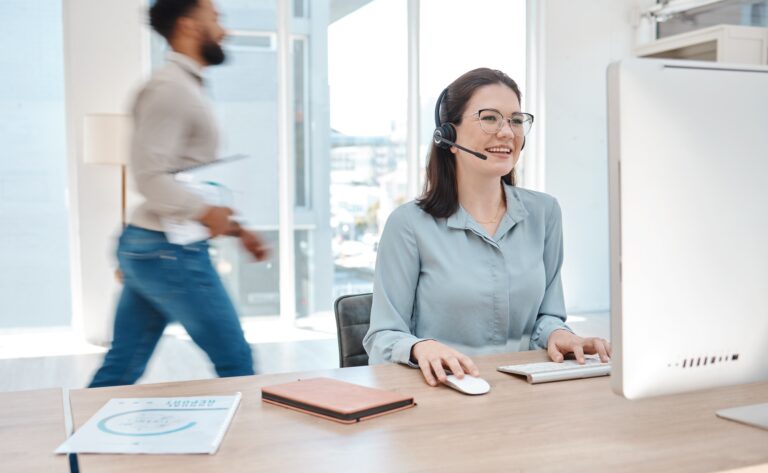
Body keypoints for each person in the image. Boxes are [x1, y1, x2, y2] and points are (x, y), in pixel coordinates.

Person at [362, 68, 611, 387]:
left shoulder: (544, 213)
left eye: (516, 120)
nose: (507, 132)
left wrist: (559, 334)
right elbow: (383, 336)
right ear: (449, 136)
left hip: (527, 394)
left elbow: (547, 316)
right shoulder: (409, 224)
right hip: (444, 394)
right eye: (490, 118)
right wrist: (419, 347)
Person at [89, 0, 268, 388]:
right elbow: (150, 177)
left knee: (121, 367)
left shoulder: (185, 87)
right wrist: (207, 213)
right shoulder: (169, 90)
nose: (226, 30)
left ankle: (73, 449)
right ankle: (255, 450)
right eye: (216, 19)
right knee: (237, 363)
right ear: (188, 26)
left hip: (154, 246)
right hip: (168, 251)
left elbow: (186, 177)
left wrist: (237, 230)